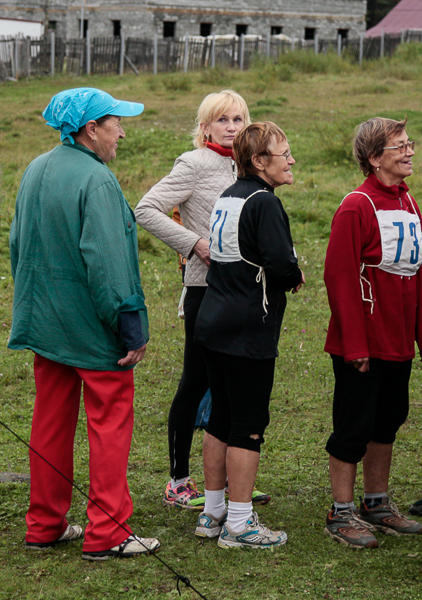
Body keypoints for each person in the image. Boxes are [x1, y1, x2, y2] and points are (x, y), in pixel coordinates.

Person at [9, 87, 160, 561]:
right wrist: (129, 324)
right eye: (116, 123)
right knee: (110, 423)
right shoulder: (98, 180)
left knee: (50, 423)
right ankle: (108, 532)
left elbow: (18, 246)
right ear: (91, 129)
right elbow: (108, 261)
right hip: (92, 328)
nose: (122, 133)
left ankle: (44, 525)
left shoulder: (36, 168)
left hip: (46, 324)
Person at [135, 90, 269, 510]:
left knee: (234, 386)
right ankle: (178, 480)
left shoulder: (250, 165)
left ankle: (228, 482)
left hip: (245, 291)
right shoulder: (193, 164)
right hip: (205, 290)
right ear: (205, 126)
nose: (231, 127)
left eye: (238, 119)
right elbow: (146, 209)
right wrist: (194, 244)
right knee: (197, 381)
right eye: (222, 120)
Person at [322, 117, 422, 549]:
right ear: (374, 159)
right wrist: (355, 344)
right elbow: (339, 277)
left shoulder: (409, 203)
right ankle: (341, 511)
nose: (410, 152)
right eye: (399, 147)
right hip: (363, 343)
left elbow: (414, 272)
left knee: (388, 420)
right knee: (353, 425)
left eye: (410, 144)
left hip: (397, 340)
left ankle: (376, 502)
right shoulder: (356, 206)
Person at [192, 122, 304, 549]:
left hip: (213, 320)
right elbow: (281, 263)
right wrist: (294, 275)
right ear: (258, 161)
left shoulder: (228, 195)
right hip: (246, 328)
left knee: (220, 416)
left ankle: (213, 511)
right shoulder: (265, 202)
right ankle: (239, 524)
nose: (291, 161)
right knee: (248, 425)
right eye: (283, 154)